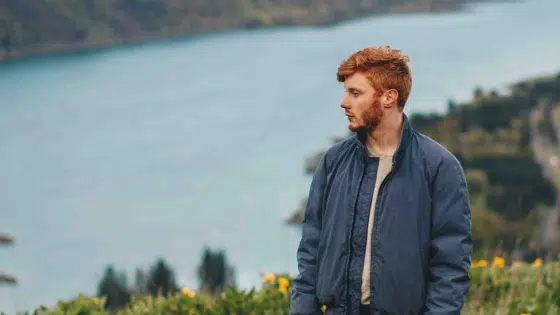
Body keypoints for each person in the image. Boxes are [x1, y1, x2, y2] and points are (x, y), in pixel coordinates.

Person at [290, 46, 473, 315]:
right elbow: (310, 251)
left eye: (355, 93)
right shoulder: (333, 162)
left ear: (388, 97)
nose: (344, 102)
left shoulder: (439, 168)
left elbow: (450, 264)